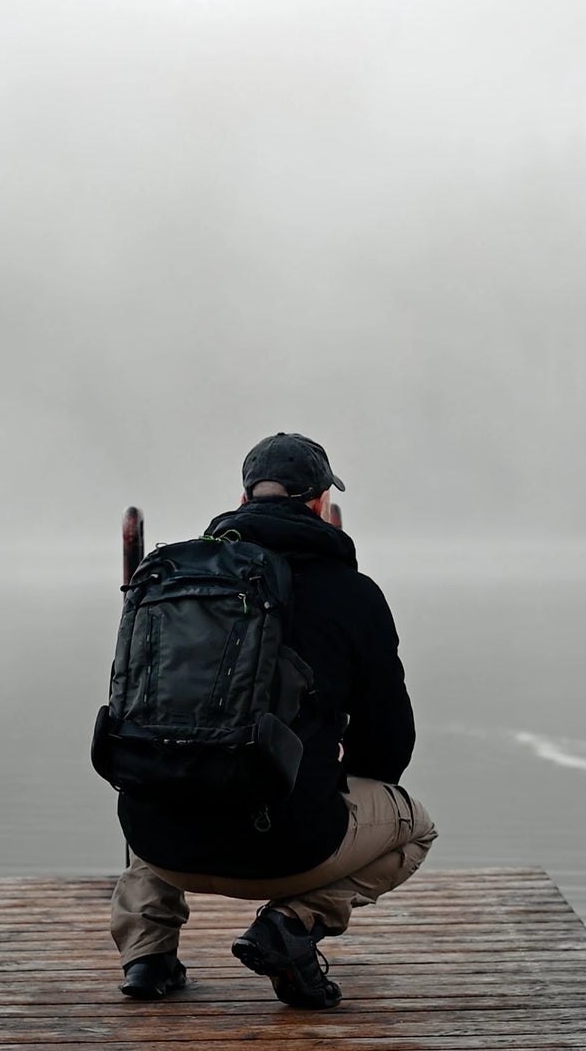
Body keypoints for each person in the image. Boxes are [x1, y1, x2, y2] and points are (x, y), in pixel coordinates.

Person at [110, 433, 436, 1010]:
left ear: (242, 500)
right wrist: (327, 767)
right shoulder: (353, 594)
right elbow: (388, 746)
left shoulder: (176, 584)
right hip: (288, 848)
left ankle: (147, 955)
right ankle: (292, 923)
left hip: (160, 843)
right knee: (416, 827)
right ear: (318, 505)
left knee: (160, 759)